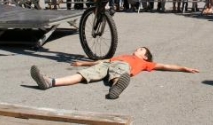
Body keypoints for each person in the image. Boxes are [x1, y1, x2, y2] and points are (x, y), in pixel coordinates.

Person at [30, 47, 199, 100]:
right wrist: (83, 63)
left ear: (145, 55)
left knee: (120, 72)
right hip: (109, 63)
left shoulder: (145, 63)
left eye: (141, 49)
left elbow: (165, 65)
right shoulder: (123, 55)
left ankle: (116, 87)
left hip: (123, 67)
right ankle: (50, 82)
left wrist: (184, 68)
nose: (137, 49)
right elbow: (103, 61)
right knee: (84, 74)